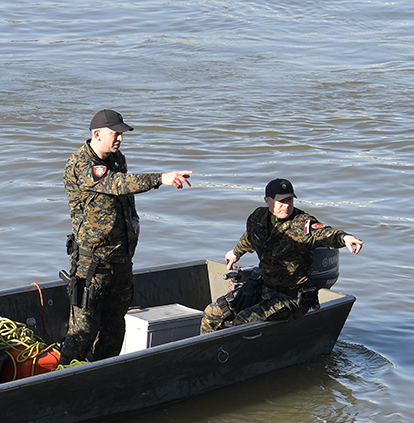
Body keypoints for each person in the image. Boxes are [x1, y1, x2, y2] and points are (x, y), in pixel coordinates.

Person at [62, 109, 193, 362]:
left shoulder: (117, 158)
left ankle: (102, 375)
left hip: (121, 257)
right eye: (115, 133)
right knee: (83, 330)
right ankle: (62, 378)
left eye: (122, 134)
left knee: (114, 328)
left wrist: (134, 221)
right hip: (93, 262)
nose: (120, 138)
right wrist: (160, 178)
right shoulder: (81, 165)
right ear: (97, 134)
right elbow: (117, 184)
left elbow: (124, 198)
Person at [201, 178, 364, 332]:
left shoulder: (302, 223)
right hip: (264, 288)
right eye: (281, 201)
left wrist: (344, 238)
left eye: (289, 201)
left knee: (242, 321)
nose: (286, 205)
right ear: (267, 201)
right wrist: (236, 253)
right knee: (212, 313)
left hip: (291, 297)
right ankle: (204, 355)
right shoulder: (258, 218)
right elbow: (250, 238)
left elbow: (324, 234)